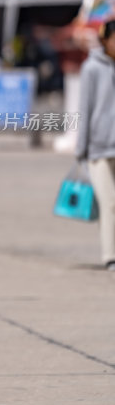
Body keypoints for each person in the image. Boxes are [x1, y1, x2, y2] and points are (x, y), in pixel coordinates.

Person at [76, 18, 115, 270]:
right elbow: (85, 109)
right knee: (109, 202)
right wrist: (81, 150)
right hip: (99, 148)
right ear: (105, 40)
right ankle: (110, 255)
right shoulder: (92, 68)